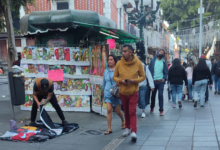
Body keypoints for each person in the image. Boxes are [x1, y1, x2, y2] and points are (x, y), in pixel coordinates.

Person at [113, 44, 145, 142]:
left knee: (132, 111)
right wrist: (120, 81)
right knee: (126, 111)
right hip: (123, 92)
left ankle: (133, 131)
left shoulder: (138, 63)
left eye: (125, 51)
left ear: (131, 53)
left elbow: (143, 77)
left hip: (133, 91)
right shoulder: (119, 63)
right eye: (123, 51)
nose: (123, 53)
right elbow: (114, 77)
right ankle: (127, 128)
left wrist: (134, 81)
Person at [102, 54, 125, 135]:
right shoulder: (106, 71)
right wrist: (102, 91)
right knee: (109, 110)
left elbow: (122, 80)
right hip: (108, 93)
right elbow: (104, 82)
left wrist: (119, 83)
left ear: (115, 61)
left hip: (116, 93)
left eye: (111, 59)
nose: (109, 61)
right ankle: (109, 128)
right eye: (108, 59)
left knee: (118, 111)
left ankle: (123, 120)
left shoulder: (118, 70)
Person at [148, 49, 168, 116]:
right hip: (153, 81)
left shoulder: (164, 62)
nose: (161, 53)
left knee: (160, 95)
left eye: (162, 53)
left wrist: (164, 78)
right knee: (153, 95)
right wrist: (149, 80)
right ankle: (152, 107)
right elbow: (149, 71)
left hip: (160, 82)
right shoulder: (153, 61)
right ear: (158, 53)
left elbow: (166, 72)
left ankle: (161, 109)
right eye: (160, 52)